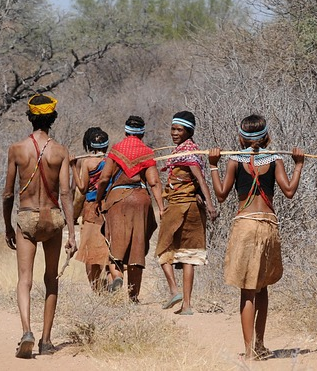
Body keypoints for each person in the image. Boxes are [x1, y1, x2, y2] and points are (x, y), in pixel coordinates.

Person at [207, 114, 304, 361]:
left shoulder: (234, 161)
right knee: (263, 287)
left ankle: (250, 350)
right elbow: (289, 191)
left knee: (247, 290)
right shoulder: (275, 159)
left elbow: (220, 195)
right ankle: (259, 345)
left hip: (245, 226)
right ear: (266, 137)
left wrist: (213, 165)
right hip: (269, 226)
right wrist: (299, 164)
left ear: (241, 138)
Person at [2, 94, 77, 359]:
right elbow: (66, 193)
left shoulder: (17, 149)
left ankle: (26, 331)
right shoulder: (61, 151)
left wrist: (8, 226)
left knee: (25, 280)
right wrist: (72, 232)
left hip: (27, 217)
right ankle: (46, 341)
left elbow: (8, 193)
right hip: (53, 219)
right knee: (51, 279)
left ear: (30, 117)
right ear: (52, 118)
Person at [95, 115, 164, 302]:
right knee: (136, 248)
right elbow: (154, 182)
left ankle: (117, 276)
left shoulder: (116, 150)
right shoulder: (147, 152)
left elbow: (104, 178)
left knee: (115, 243)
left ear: (126, 132)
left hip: (117, 199)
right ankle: (133, 297)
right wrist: (161, 207)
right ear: (142, 133)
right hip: (140, 200)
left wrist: (98, 200)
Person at [155, 111, 218, 315]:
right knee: (188, 255)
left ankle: (174, 291)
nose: (174, 133)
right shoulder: (192, 151)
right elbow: (196, 181)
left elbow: (200, 180)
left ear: (188, 131)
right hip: (193, 209)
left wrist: (210, 205)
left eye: (179, 130)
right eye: (173, 129)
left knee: (163, 250)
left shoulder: (187, 153)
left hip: (179, 206)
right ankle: (187, 306)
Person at [70, 127, 113, 292]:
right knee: (109, 248)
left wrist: (73, 167)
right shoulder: (112, 161)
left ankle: (97, 290)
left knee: (90, 252)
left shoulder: (87, 162)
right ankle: (111, 280)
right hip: (110, 206)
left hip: (92, 208)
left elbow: (82, 188)